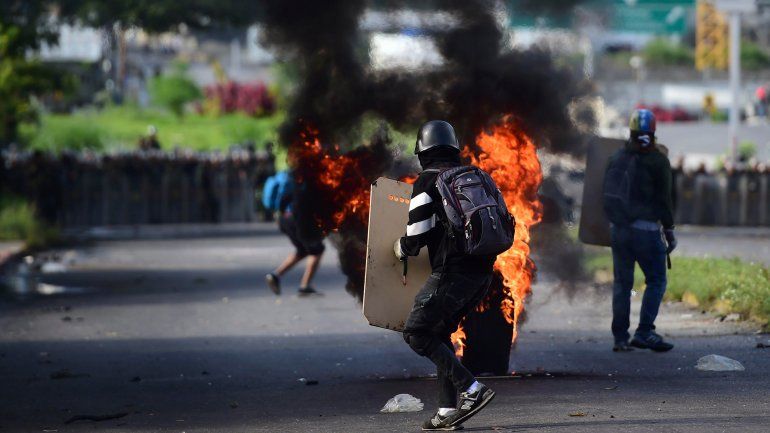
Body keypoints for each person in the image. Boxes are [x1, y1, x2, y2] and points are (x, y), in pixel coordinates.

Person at [394, 120, 501, 431]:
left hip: (452, 273)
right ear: (455, 149)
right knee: (439, 333)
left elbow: (415, 238)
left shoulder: (426, 182)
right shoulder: (475, 177)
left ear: (422, 152)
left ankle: (472, 389)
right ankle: (446, 411)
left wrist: (399, 249)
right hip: (482, 274)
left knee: (417, 332)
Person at [603, 109, 676, 353]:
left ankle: (620, 338)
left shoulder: (616, 158)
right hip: (646, 232)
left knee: (622, 284)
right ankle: (644, 331)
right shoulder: (658, 160)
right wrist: (670, 232)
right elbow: (664, 201)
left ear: (631, 132)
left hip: (619, 231)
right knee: (656, 280)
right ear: (653, 132)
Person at [264, 169, 324, 297]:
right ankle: (305, 286)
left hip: (282, 218)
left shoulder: (288, 174)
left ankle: (275, 276)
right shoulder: (306, 179)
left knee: (302, 250)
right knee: (317, 249)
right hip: (295, 218)